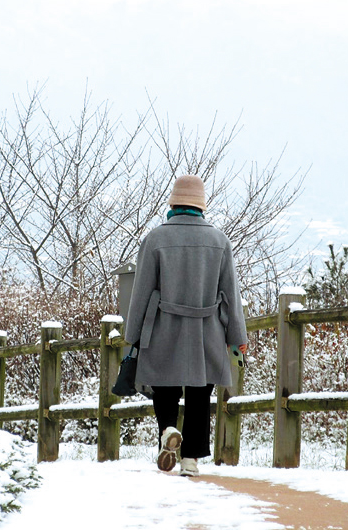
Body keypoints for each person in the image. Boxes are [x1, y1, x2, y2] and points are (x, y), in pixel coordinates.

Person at [125, 174, 248, 477]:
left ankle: (168, 431)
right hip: (207, 330)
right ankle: (190, 459)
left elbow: (141, 291)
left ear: (174, 202)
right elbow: (230, 294)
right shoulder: (219, 241)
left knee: (164, 388)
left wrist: (133, 336)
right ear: (201, 205)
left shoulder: (155, 238)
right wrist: (237, 337)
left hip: (162, 326)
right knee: (199, 394)